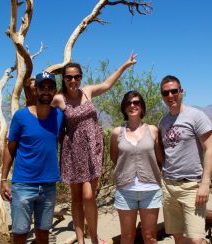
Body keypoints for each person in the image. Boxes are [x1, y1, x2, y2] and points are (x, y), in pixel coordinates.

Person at [52, 52, 137, 244]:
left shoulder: (87, 91)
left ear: (80, 77)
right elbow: (40, 105)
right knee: (75, 199)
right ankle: (81, 240)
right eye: (68, 77)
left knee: (89, 197)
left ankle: (94, 238)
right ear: (63, 79)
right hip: (72, 150)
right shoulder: (59, 99)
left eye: (76, 77)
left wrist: (124, 66)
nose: (73, 80)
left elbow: (107, 84)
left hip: (93, 148)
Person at [0, 72, 64, 244]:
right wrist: (3, 179)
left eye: (50, 88)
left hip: (49, 185)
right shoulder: (21, 117)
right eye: (42, 87)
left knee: (43, 234)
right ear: (35, 90)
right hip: (23, 185)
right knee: (20, 233)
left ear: (55, 91)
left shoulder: (59, 116)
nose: (46, 91)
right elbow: (10, 148)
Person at [158, 75, 212, 244]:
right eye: (166, 93)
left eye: (174, 91)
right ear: (162, 96)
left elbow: (210, 148)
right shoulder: (163, 121)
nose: (170, 96)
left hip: (192, 186)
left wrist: (205, 183)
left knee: (196, 239)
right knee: (178, 237)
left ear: (182, 92)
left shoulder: (196, 116)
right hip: (169, 185)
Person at [110, 91, 163, 244]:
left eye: (136, 102)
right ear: (124, 107)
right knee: (127, 237)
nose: (132, 105)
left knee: (150, 236)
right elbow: (116, 158)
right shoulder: (116, 133)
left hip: (150, 191)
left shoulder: (152, 130)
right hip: (126, 191)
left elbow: (159, 159)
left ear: (142, 106)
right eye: (129, 103)